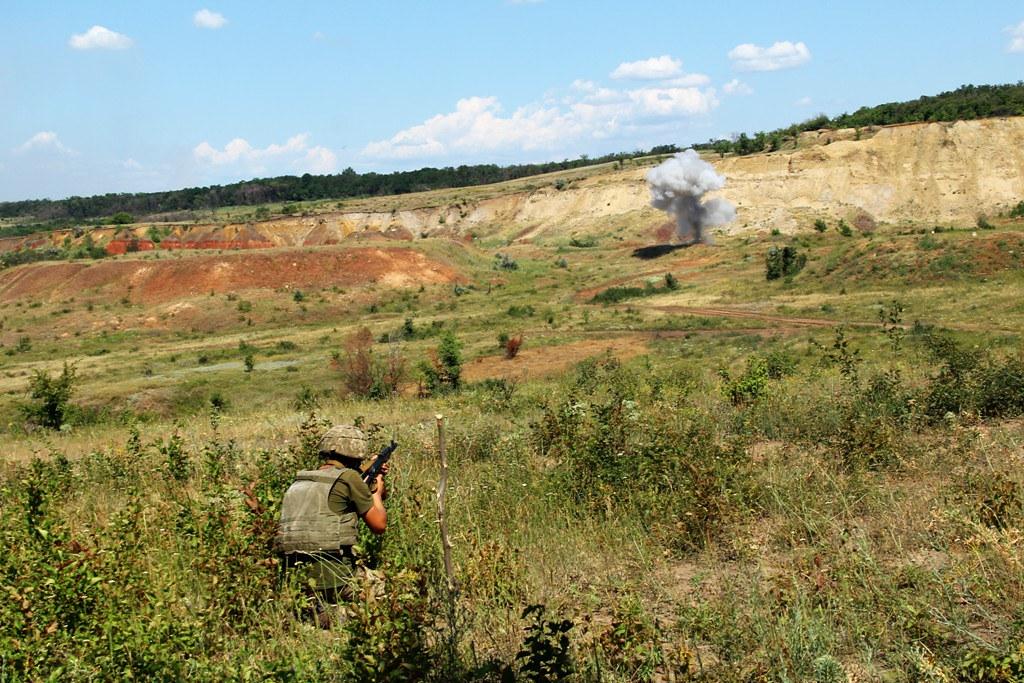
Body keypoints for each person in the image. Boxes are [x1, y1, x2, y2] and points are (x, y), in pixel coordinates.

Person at [275, 424, 388, 628]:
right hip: (335, 574)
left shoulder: (301, 481)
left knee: (314, 599)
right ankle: (338, 617)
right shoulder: (350, 478)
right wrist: (377, 491)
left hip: (295, 576)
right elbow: (379, 525)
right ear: (357, 452)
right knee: (383, 588)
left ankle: (311, 611)